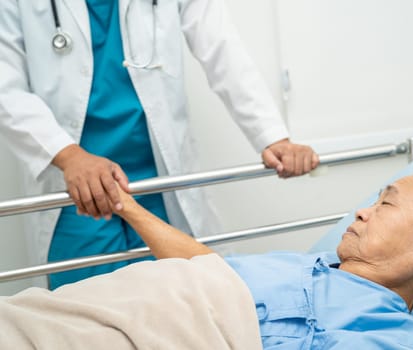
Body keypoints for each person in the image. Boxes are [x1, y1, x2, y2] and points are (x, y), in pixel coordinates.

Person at [0, 0, 319, 289]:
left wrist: (273, 136)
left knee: (181, 305)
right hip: (76, 192)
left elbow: (222, 46)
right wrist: (69, 156)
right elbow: (6, 87)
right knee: (88, 316)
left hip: (160, 183)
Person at [104, 159, 413, 348]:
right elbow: (205, 266)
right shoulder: (306, 266)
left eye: (386, 205)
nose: (362, 211)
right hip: (124, 306)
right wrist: (124, 204)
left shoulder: (387, 335)